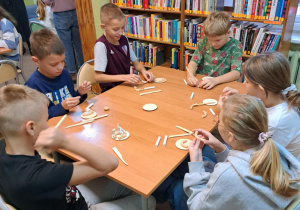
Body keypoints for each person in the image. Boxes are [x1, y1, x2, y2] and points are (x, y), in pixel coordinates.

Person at [0, 84, 156, 210]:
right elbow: (110, 163)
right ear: (30, 128)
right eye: (46, 119)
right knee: (148, 200)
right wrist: (65, 142)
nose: (48, 124)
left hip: (65, 197)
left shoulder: (5, 148)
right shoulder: (42, 176)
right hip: (78, 204)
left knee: (122, 185)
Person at [184, 94, 300, 209]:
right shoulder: (271, 146)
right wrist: (221, 149)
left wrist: (195, 165)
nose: (218, 123)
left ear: (230, 136)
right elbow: (244, 165)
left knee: (178, 186)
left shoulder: (226, 175)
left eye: (218, 121)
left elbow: (197, 207)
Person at [222, 52, 300, 160]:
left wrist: (225, 112)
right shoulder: (281, 93)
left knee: (212, 149)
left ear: (261, 89)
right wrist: (239, 98)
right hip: (268, 154)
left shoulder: (275, 122)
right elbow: (258, 102)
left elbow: (255, 156)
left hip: (271, 166)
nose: (244, 84)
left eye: (247, 81)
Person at [25, 29, 89, 119]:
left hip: (71, 121)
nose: (60, 67)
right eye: (53, 64)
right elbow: (36, 118)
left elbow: (72, 102)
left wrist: (80, 93)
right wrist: (61, 107)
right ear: (36, 61)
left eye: (62, 61)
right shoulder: (32, 86)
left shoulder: (65, 74)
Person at [94, 3, 155, 93]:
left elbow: (136, 63)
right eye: (115, 29)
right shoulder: (101, 45)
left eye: (122, 28)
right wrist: (125, 77)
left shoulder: (124, 40)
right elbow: (98, 77)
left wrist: (144, 71)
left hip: (126, 86)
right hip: (110, 91)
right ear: (103, 27)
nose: (120, 32)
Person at [186, 11, 242, 90]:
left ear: (228, 33)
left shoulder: (236, 45)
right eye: (209, 39)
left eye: (217, 40)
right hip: (201, 84)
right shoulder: (203, 41)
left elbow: (236, 73)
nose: (213, 44)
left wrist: (215, 81)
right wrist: (190, 77)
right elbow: (193, 63)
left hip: (222, 85)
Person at [42, 0, 84, 82]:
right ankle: (82, 70)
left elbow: (47, 1)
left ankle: (73, 73)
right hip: (76, 11)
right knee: (79, 45)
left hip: (60, 14)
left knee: (66, 47)